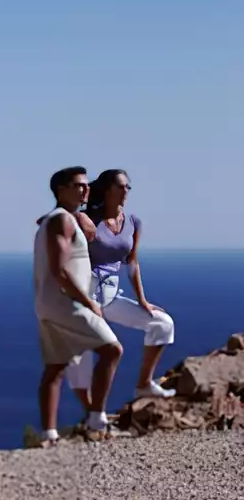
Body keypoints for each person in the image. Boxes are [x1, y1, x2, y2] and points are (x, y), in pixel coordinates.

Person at [64, 168, 176, 406]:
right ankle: (93, 413)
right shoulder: (86, 220)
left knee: (163, 324)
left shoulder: (133, 223)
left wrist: (142, 300)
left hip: (110, 297)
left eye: (128, 187)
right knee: (85, 358)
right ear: (107, 190)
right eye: (121, 186)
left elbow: (132, 263)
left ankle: (144, 385)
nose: (126, 191)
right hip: (85, 299)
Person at [32, 166, 121, 446]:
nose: (85, 190)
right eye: (78, 185)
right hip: (65, 303)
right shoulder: (62, 221)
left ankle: (49, 434)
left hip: (47, 304)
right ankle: (96, 419)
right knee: (112, 349)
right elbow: (60, 270)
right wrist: (88, 303)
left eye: (86, 185)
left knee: (55, 368)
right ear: (61, 190)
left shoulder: (58, 219)